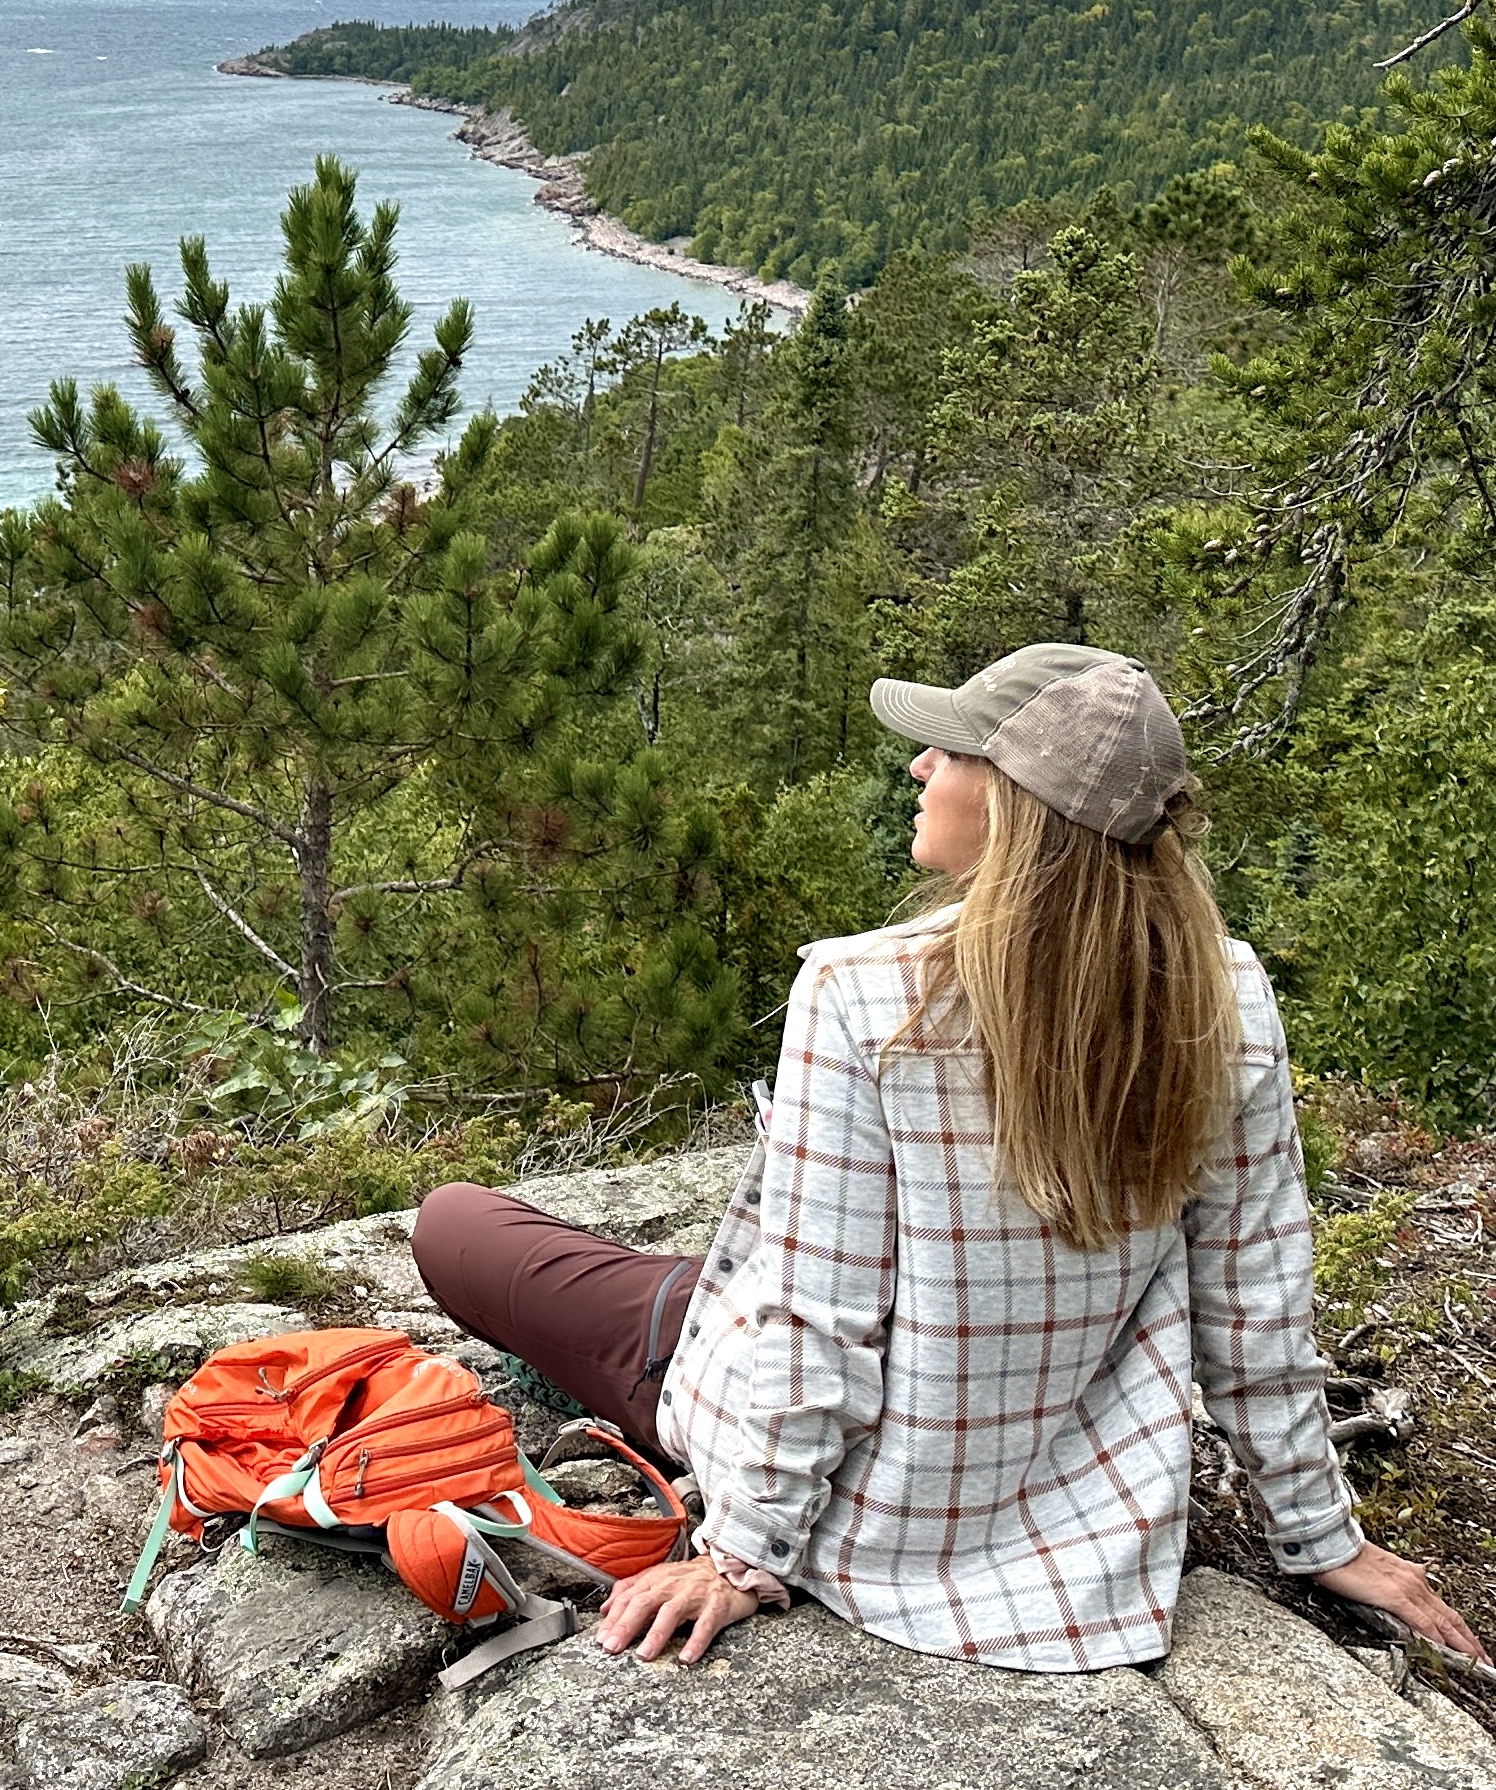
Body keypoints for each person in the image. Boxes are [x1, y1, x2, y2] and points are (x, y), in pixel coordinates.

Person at [409, 644, 1488, 1672]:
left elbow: (816, 1315)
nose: (921, 765)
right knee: (666, 1277)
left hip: (835, 1473)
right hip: (1076, 1527)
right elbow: (1254, 1304)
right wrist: (1320, 1537)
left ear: (1015, 798)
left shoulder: (863, 990)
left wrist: (739, 1553)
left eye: (951, 750)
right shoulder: (1225, 990)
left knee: (455, 1223)